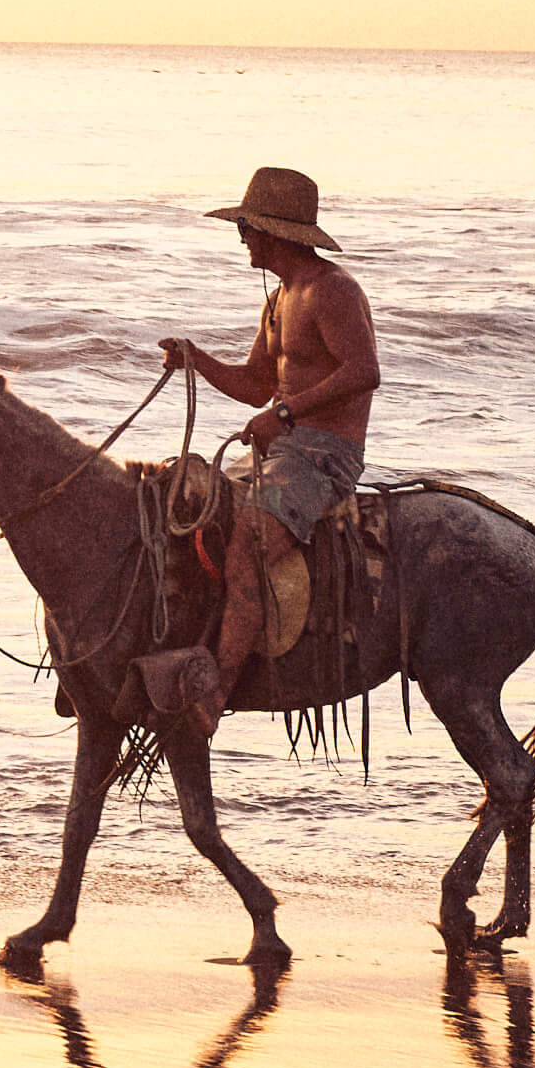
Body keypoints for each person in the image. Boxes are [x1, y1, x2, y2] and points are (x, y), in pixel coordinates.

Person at [157, 168, 382, 738]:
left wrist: (283, 415)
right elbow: (258, 383)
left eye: (250, 227)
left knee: (250, 543)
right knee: (189, 511)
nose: (242, 237)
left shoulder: (333, 291)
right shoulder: (280, 299)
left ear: (277, 233)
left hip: (322, 454)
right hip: (282, 450)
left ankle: (220, 691)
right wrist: (196, 358)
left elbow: (364, 372)